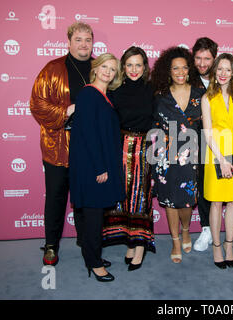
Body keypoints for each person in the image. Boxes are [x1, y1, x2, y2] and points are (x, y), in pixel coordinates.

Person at [30, 22, 94, 266]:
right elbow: (37, 103)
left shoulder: (100, 68)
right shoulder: (53, 68)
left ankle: (86, 241)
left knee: (86, 198)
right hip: (58, 146)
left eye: (87, 39)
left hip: (88, 148)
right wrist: (66, 111)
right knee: (56, 197)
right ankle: (50, 245)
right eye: (78, 39)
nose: (83, 44)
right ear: (69, 42)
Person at [192, 37, 233, 252]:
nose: (223, 73)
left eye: (228, 70)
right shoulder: (207, 97)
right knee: (215, 200)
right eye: (220, 69)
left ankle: (229, 243)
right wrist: (222, 160)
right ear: (215, 71)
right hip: (214, 152)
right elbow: (207, 133)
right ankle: (214, 241)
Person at [69, 53, 124, 282]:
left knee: (95, 214)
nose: (108, 72)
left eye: (112, 69)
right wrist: (100, 168)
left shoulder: (105, 94)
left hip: (100, 161)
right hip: (93, 165)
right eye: (105, 67)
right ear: (96, 68)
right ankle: (93, 262)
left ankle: (92, 255)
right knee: (93, 216)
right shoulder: (89, 94)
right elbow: (89, 135)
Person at [102, 46, 155, 271]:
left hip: (144, 149)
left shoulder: (153, 90)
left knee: (140, 198)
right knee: (123, 198)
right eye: (129, 64)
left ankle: (140, 245)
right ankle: (130, 243)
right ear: (124, 67)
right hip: (120, 149)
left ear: (145, 68)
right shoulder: (115, 91)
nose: (134, 69)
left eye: (138, 65)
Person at [150, 46, 203, 263]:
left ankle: (186, 230)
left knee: (187, 200)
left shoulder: (201, 94)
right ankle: (174, 240)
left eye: (184, 68)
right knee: (170, 201)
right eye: (175, 68)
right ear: (168, 71)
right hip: (165, 154)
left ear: (189, 69)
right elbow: (151, 123)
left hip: (192, 153)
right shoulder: (159, 95)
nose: (180, 72)